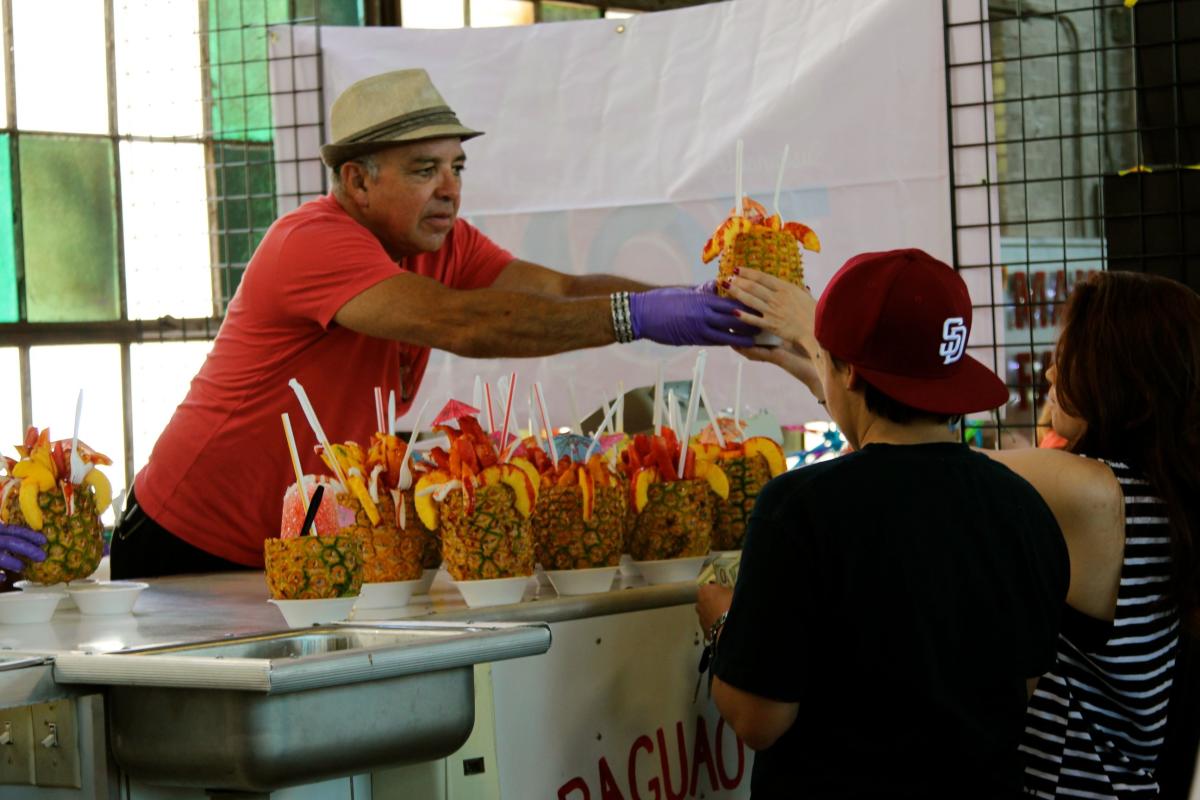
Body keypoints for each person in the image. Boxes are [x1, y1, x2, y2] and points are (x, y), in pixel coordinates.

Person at [112, 68, 755, 579]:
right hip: (183, 543)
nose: (451, 188)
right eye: (426, 170)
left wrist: (692, 301)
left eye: (457, 167)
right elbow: (462, 326)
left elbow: (559, 290)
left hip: (300, 542)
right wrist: (636, 317)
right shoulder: (309, 241)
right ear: (358, 181)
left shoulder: (442, 242)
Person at [723, 266, 1200, 797]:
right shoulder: (1155, 498)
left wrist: (831, 338)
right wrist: (828, 371)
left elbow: (919, 462)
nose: (1048, 375)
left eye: (1066, 359)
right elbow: (916, 454)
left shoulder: (1097, 494)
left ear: (1123, 377)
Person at [697, 249, 1069, 798]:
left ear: (846, 370)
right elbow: (1024, 684)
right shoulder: (1024, 508)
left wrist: (724, 626)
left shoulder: (798, 510)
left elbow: (759, 719)